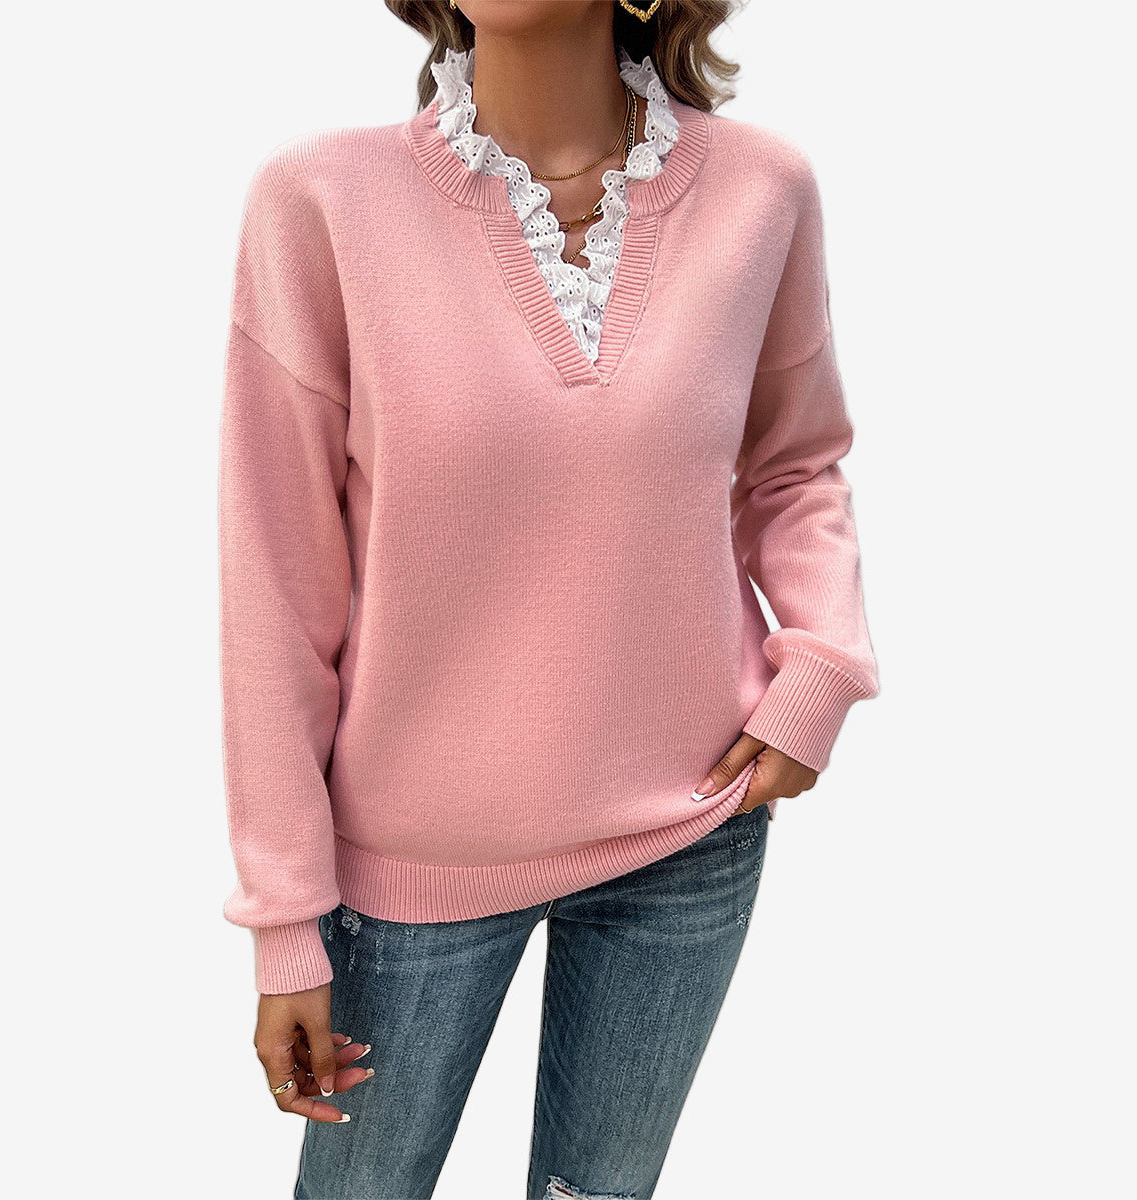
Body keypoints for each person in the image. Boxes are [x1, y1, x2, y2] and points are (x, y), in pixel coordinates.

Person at [216, 1, 879, 1195]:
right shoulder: (319, 201)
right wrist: (285, 920)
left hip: (689, 830)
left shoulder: (762, 191)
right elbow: (273, 588)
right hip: (414, 860)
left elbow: (795, 464)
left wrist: (822, 667)